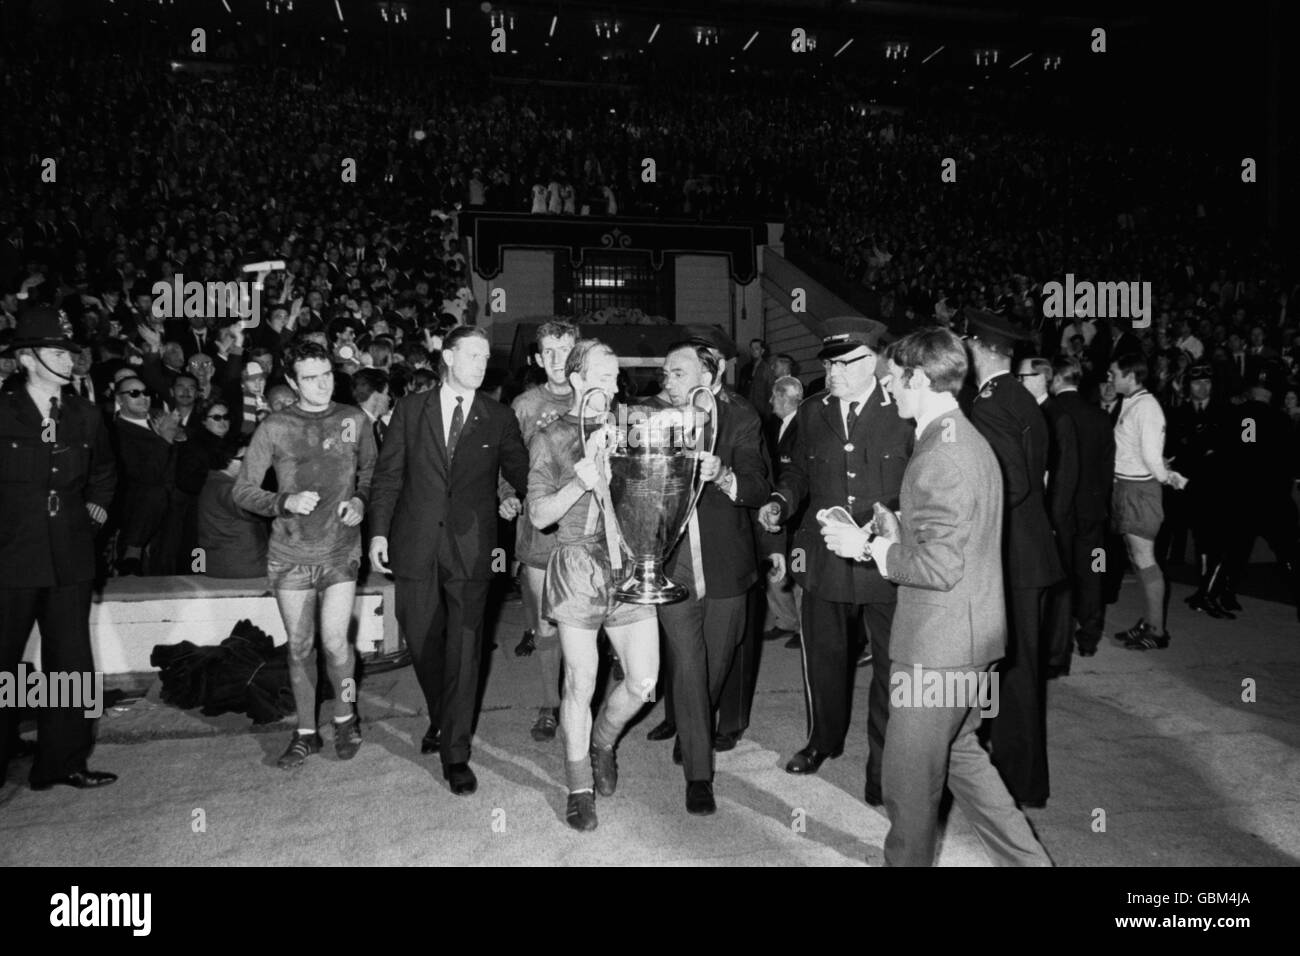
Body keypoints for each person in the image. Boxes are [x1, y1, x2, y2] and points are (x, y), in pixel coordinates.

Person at [823, 327, 1051, 866]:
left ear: (918, 378)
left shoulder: (942, 454)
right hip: (968, 637)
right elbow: (957, 540)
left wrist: (868, 546)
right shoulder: (956, 437)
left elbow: (940, 567)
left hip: (940, 646)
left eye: (893, 380)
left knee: (907, 784)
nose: (888, 390)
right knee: (964, 759)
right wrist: (898, 527)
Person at [758, 316, 913, 808]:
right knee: (823, 659)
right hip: (823, 557)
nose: (834, 372)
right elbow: (797, 472)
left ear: (875, 361)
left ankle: (881, 766)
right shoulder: (812, 411)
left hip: (882, 560)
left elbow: (918, 484)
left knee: (892, 668)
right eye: (829, 363)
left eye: (846, 363)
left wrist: (887, 526)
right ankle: (823, 739)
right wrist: (781, 502)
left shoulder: (903, 411)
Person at [368, 326, 529, 796]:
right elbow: (388, 476)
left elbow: (521, 472)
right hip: (415, 543)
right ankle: (443, 714)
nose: (482, 364)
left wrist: (522, 492)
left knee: (465, 646)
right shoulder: (411, 410)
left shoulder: (498, 418)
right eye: (473, 355)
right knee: (421, 640)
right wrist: (378, 532)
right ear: (447, 356)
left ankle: (455, 752)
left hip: (474, 550)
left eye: (486, 357)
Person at [526, 339, 661, 830]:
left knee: (644, 682)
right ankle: (578, 784)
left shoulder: (633, 430)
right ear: (577, 378)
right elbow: (539, 515)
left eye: (616, 377)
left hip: (626, 563)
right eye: (602, 376)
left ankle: (603, 740)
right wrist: (577, 484)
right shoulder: (551, 437)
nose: (612, 385)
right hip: (576, 564)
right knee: (580, 680)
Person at [233, 339, 378, 768]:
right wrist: (283, 502)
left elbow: (371, 472)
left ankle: (346, 715)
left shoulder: (354, 419)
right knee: (299, 648)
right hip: (290, 554)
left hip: (339, 550)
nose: (322, 385)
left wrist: (361, 502)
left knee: (336, 644)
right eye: (311, 378)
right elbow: (242, 490)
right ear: (293, 383)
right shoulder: (275, 426)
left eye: (327, 375)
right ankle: (306, 732)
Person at [0, 307, 118, 790]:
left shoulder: (85, 415)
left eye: (70, 353)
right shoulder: (1, 410)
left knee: (70, 661)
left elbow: (105, 476)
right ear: (27, 359)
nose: (68, 362)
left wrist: (92, 513)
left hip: (69, 554)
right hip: (11, 555)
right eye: (56, 353)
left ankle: (63, 760)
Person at [655, 341, 769, 813]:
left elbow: (760, 486)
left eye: (677, 373)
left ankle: (693, 721)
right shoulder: (649, 419)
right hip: (672, 563)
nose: (667, 381)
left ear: (711, 374)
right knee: (687, 662)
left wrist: (722, 475)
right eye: (665, 373)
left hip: (725, 563)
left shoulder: (741, 418)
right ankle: (698, 775)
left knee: (715, 664)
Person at [963, 310, 1064, 808]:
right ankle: (1017, 776)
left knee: (1014, 673)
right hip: (1032, 554)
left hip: (1014, 559)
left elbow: (1011, 484)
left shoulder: (989, 404)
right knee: (1014, 670)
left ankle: (1018, 782)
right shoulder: (1020, 396)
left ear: (978, 348)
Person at [508, 320, 579, 742]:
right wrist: (507, 492)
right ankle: (550, 705)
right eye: (548, 351)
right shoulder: (523, 404)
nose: (556, 360)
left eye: (565, 350)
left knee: (584, 623)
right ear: (537, 358)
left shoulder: (596, 398)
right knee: (546, 625)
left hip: (584, 532)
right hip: (539, 532)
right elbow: (508, 458)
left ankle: (578, 697)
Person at [1108, 351, 1188, 650]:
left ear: (1131, 376)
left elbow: (1152, 457)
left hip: (1140, 492)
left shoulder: (1148, 407)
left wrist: (1168, 476)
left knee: (1145, 559)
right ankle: (1148, 620)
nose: (1110, 378)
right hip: (1128, 488)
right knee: (1137, 559)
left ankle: (1157, 631)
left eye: (1114, 373)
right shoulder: (1131, 402)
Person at [1016, 356, 1079, 679]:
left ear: (1041, 378)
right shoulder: (1034, 413)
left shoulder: (1058, 417)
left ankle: (1056, 655)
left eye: (1023, 376)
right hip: (1038, 518)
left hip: (1053, 518)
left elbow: (1064, 475)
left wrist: (1053, 522)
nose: (1019, 381)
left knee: (1058, 587)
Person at [1048, 356, 1115, 659]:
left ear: (1057, 379)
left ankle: (1057, 639)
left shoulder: (1050, 414)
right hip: (1091, 510)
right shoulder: (1100, 417)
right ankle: (1089, 636)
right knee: (1092, 573)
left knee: (1059, 573)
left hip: (1059, 508)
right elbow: (1106, 468)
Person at [197, 437, 269, 579]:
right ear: (228, 460)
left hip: (219, 563)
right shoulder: (227, 488)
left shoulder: (213, 482)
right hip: (241, 566)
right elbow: (253, 509)